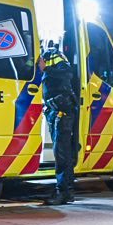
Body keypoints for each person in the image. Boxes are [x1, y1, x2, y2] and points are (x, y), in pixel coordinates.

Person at [40, 39, 80, 205]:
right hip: (54, 110)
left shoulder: (55, 55)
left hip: (62, 111)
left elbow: (67, 73)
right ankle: (67, 191)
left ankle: (62, 193)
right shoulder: (42, 56)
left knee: (61, 153)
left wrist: (46, 69)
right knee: (62, 152)